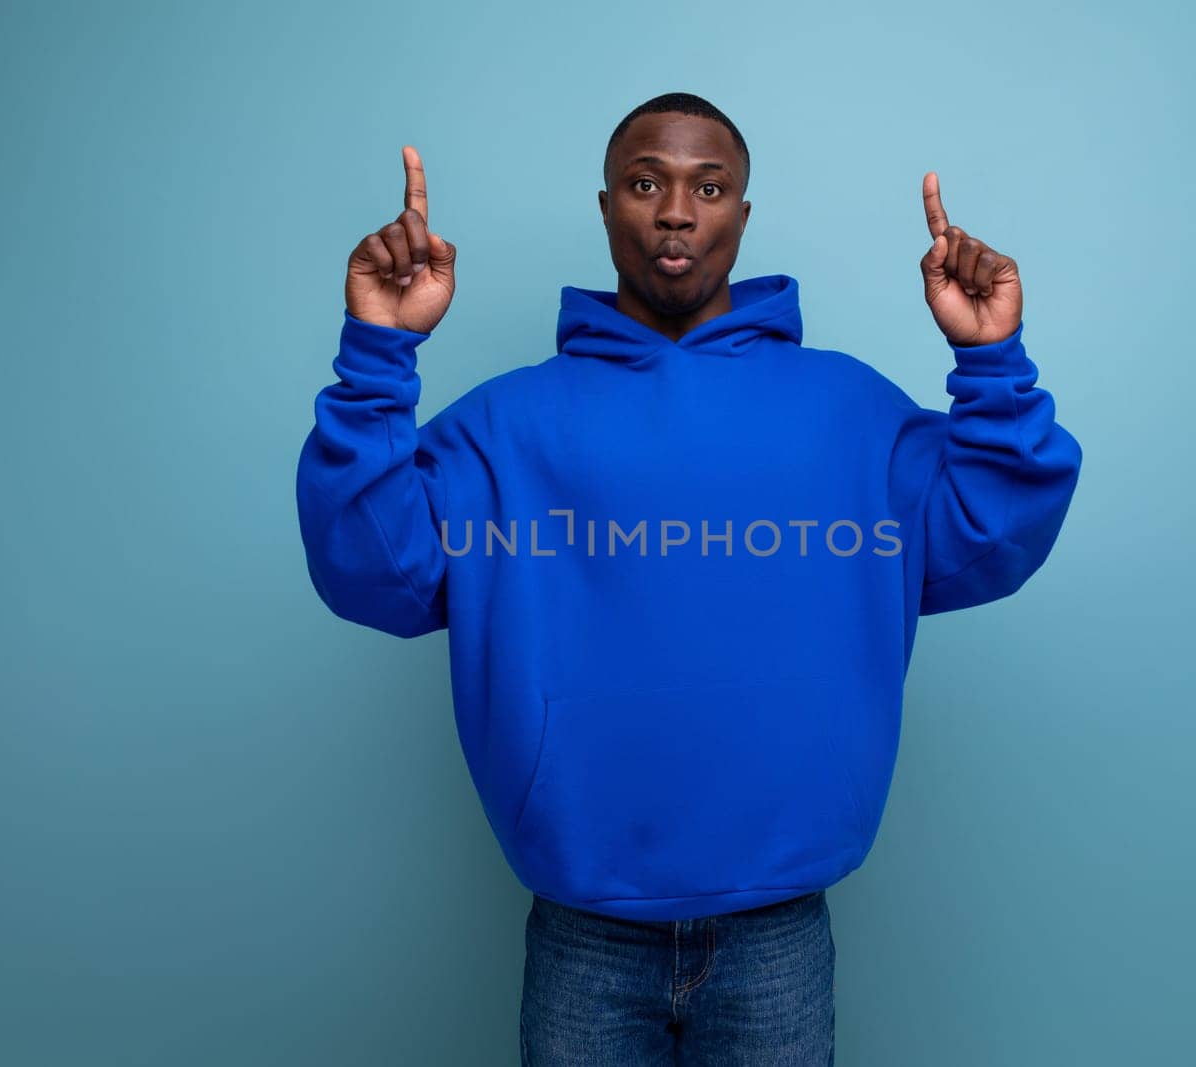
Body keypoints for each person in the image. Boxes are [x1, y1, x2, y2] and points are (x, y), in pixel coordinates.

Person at [296, 92, 1083, 1065]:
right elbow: (368, 570)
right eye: (645, 183)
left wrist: (989, 356)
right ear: (605, 208)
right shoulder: (501, 429)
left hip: (778, 925)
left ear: (741, 217)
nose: (676, 211)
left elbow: (992, 531)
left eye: (708, 187)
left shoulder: (850, 411)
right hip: (581, 921)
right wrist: (379, 348)